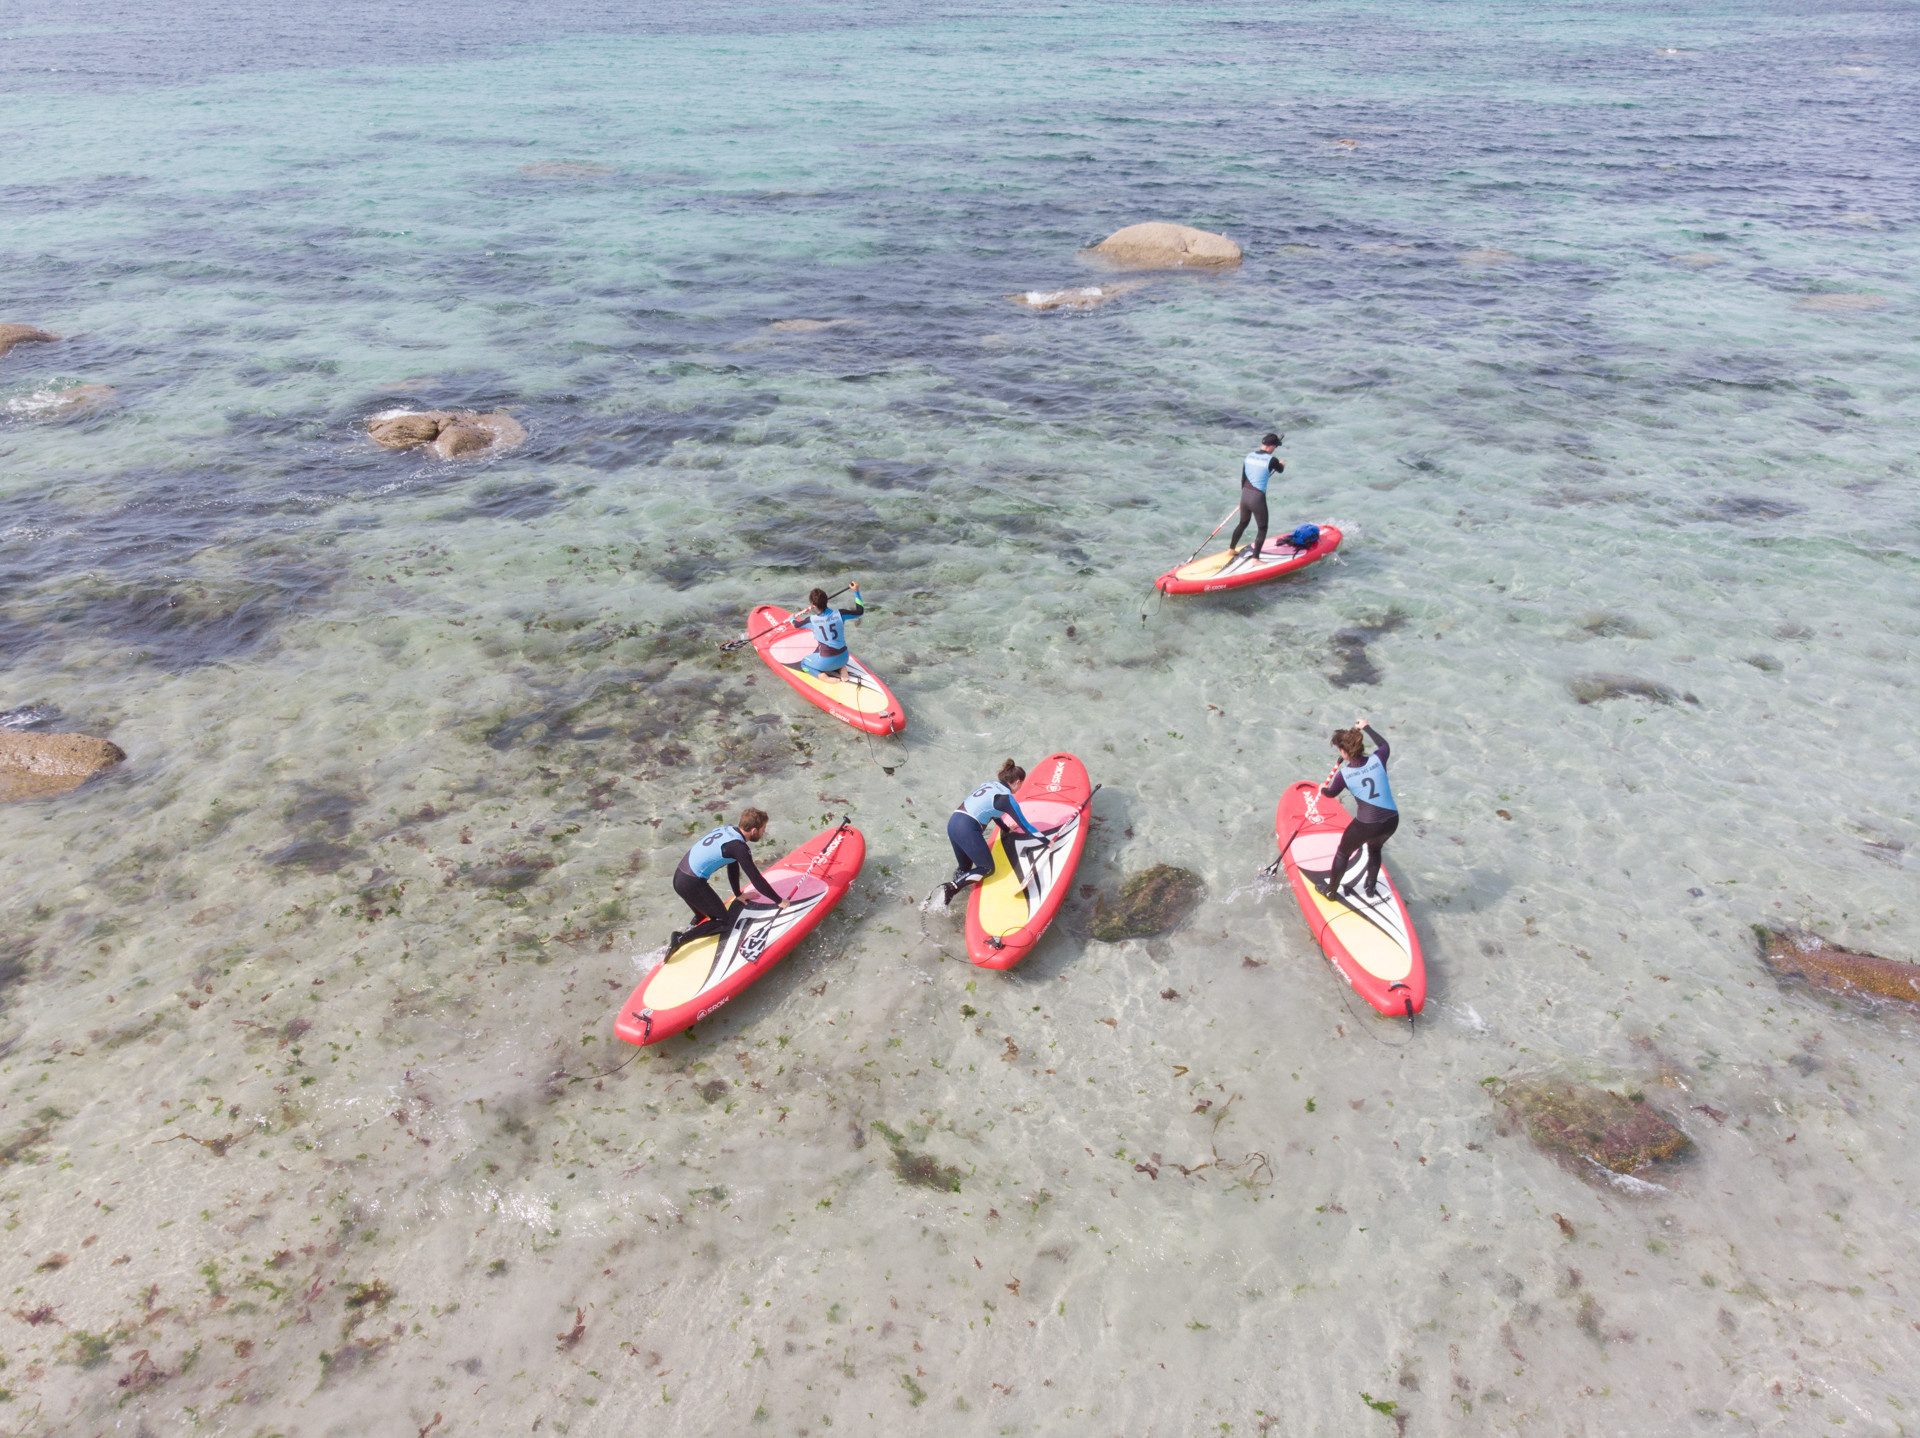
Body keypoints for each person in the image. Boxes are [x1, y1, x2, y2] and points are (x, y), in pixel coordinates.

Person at [1310, 718, 1398, 901]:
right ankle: (1371, 887)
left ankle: (1330, 891)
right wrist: (1366, 727)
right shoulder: (1379, 758)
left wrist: (1322, 789)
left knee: (1343, 853)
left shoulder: (1344, 775)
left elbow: (1331, 794)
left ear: (1344, 752)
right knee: (1375, 848)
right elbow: (1384, 744)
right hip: (1391, 820)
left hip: (1367, 825)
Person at [670, 807, 779, 949]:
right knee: (724, 922)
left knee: (701, 917)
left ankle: (687, 934)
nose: (764, 832)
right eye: (763, 829)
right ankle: (680, 939)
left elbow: (732, 863)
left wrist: (738, 894)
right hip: (691, 883)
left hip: (679, 877)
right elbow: (756, 879)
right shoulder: (739, 847)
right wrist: (779, 901)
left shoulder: (728, 831)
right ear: (753, 831)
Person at [944, 760, 1044, 902]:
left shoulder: (990, 785)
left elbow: (992, 813)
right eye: (1022, 784)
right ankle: (952, 887)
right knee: (987, 868)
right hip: (967, 828)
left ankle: (950, 898)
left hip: (953, 822)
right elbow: (1026, 826)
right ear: (1017, 782)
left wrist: (1006, 829)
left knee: (964, 867)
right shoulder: (1006, 798)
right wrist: (1047, 841)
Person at [1229, 432, 1285, 560]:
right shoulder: (1272, 460)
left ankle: (1231, 550)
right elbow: (1280, 470)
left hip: (1245, 494)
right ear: (1272, 446)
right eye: (1275, 446)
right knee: (1262, 528)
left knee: (1243, 523)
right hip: (1257, 498)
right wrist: (1281, 464)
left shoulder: (1249, 456)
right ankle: (1255, 559)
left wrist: (1244, 499)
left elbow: (1243, 478)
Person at [791, 582, 865, 676]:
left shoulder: (811, 620)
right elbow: (860, 611)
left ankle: (821, 676)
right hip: (844, 658)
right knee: (828, 650)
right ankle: (841, 668)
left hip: (826, 663)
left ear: (813, 604)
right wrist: (856, 591)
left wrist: (791, 618)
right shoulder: (841, 614)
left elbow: (796, 625)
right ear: (826, 600)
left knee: (804, 662)